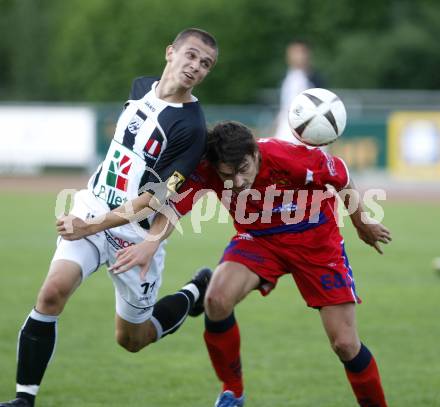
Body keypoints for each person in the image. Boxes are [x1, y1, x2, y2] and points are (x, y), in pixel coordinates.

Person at [0, 28, 218, 407]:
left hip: (135, 237)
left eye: (205, 64)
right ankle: (24, 400)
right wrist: (91, 219)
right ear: (171, 52)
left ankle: (195, 290)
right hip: (92, 207)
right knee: (51, 294)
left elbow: (156, 199)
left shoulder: (192, 128)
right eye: (191, 56)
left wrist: (95, 226)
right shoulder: (140, 87)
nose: (196, 66)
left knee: (132, 339)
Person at [110, 121, 392, 407]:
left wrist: (361, 221)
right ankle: (233, 391)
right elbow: (173, 208)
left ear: (255, 153)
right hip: (259, 239)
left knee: (345, 344)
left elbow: (340, 175)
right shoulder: (208, 170)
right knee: (216, 300)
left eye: (244, 169)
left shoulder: (289, 158)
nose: (239, 181)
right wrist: (151, 242)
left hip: (316, 244)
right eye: (227, 175)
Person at [274, 40, 324, 142]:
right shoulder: (287, 78)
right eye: (294, 53)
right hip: (287, 128)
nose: (298, 56)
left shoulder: (314, 79)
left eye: (301, 52)